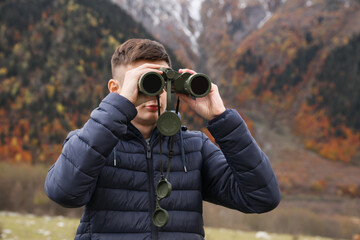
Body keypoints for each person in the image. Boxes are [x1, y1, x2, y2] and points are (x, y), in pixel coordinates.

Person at [45, 38, 281, 240]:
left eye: (160, 83)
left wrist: (222, 118)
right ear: (115, 89)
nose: (154, 93)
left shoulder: (194, 148)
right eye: (145, 83)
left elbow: (262, 197)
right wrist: (118, 108)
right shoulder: (92, 142)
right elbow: (64, 192)